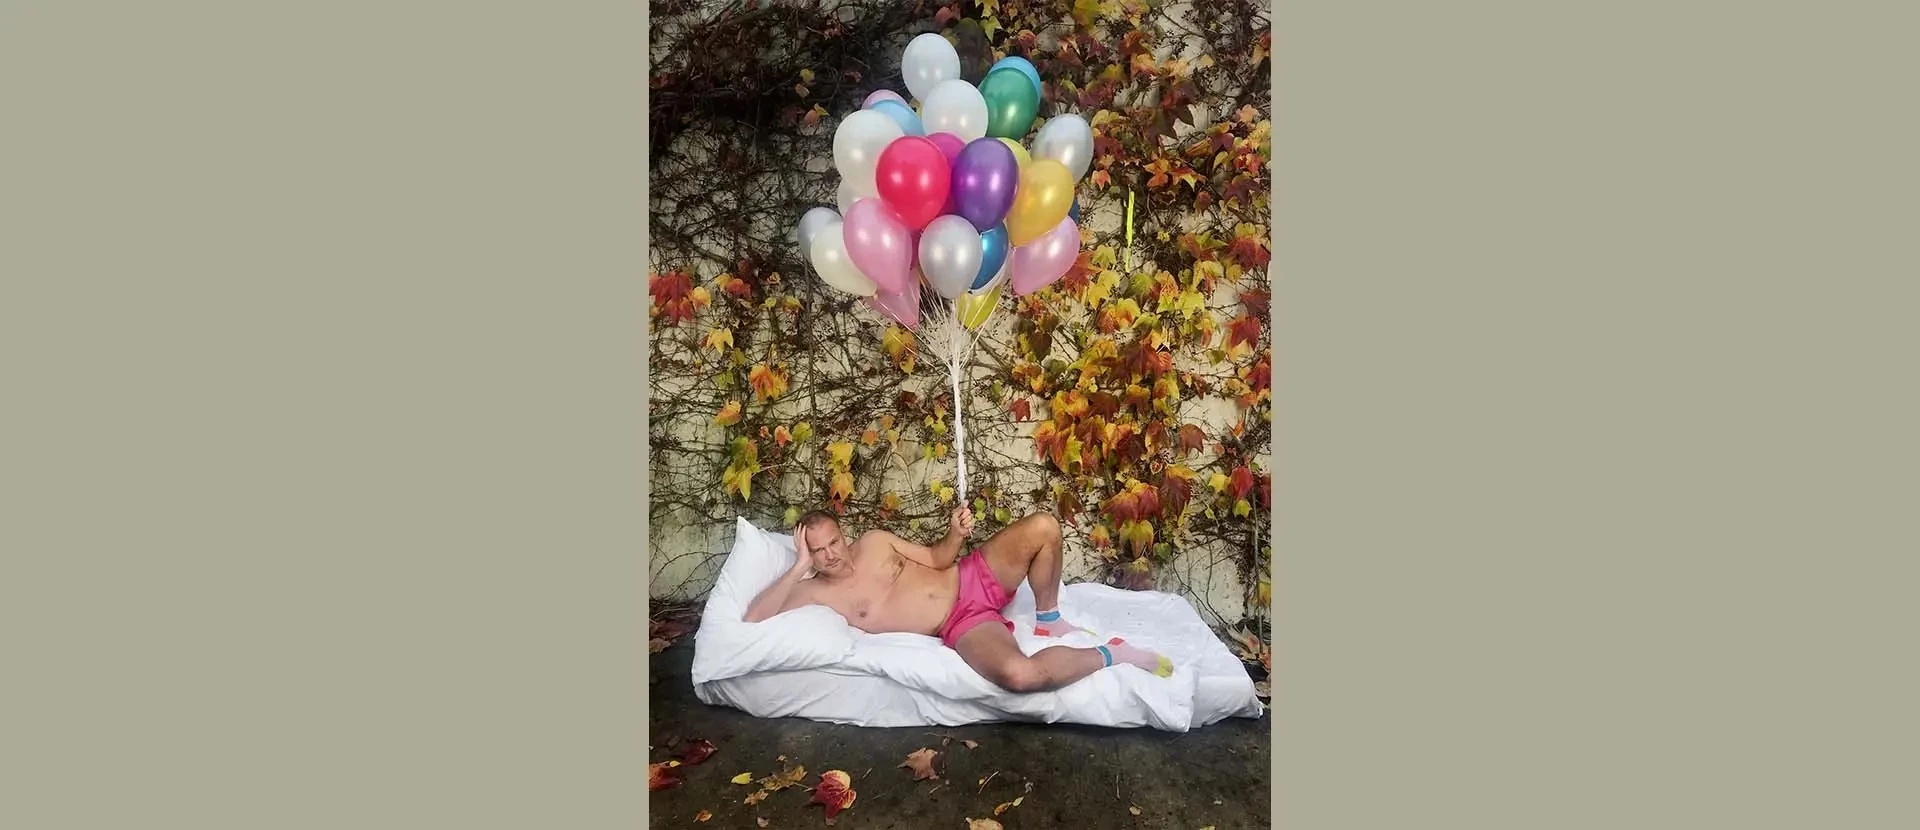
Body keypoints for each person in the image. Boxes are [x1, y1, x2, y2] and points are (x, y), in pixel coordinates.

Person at [742, 505, 1173, 693]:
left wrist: (956, 533)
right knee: (1021, 677)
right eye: (818, 550)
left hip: (971, 576)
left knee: (1044, 526)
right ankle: (1114, 654)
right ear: (809, 553)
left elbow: (936, 557)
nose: (831, 553)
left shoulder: (874, 542)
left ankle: (1049, 617)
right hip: (961, 622)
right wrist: (798, 566)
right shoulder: (814, 591)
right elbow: (754, 616)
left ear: (843, 532)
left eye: (833, 540)